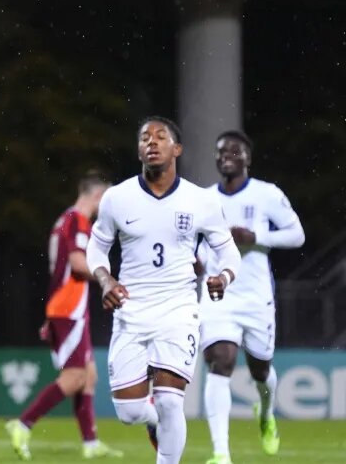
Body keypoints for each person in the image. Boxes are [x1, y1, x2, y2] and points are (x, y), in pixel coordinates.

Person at [85, 117, 241, 464]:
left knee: (171, 401)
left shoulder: (200, 201)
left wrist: (224, 277)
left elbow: (229, 252)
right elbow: (96, 247)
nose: (151, 142)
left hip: (178, 311)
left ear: (177, 149)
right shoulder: (117, 198)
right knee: (129, 412)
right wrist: (106, 279)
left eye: (160, 137)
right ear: (138, 150)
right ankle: (153, 420)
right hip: (131, 311)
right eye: (145, 138)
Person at [198, 130, 304, 464]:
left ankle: (266, 412)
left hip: (256, 297)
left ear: (248, 158)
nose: (227, 156)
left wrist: (255, 236)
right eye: (221, 151)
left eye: (235, 151)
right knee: (221, 360)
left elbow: (297, 235)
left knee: (260, 370)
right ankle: (221, 453)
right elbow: (197, 245)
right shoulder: (203, 199)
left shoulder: (266, 194)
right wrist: (198, 260)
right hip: (218, 294)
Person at [6, 171, 123, 460]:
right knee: (75, 376)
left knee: (89, 375)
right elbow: (78, 264)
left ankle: (91, 444)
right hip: (69, 309)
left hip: (67, 308)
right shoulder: (78, 220)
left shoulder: (64, 220)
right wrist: (108, 278)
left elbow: (61, 269)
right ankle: (23, 423)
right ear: (97, 196)